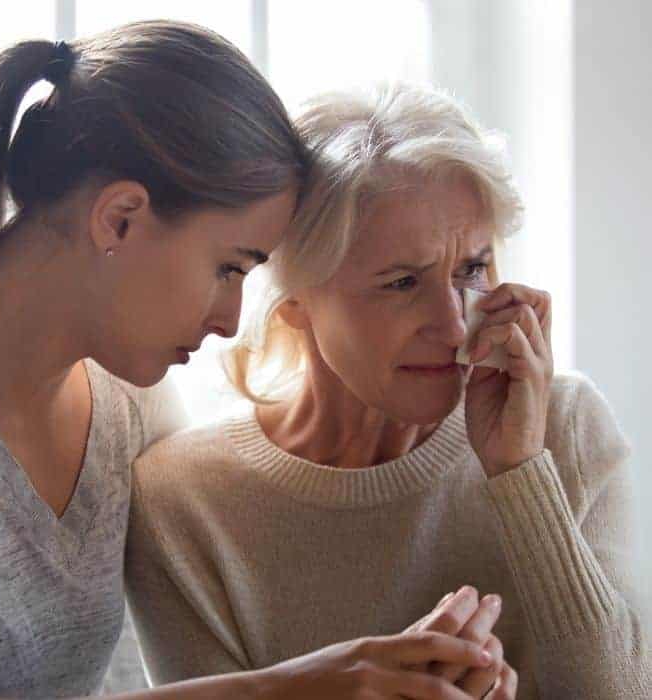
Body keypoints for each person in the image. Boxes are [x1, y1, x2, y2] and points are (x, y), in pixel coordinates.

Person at [0, 22, 502, 700]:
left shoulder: (129, 408)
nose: (232, 319)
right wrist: (285, 691)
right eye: (228, 267)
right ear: (120, 218)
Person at [126, 84, 651, 699]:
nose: (455, 323)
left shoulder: (564, 423)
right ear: (294, 301)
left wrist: (520, 471)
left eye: (472, 269)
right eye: (402, 282)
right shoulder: (182, 501)